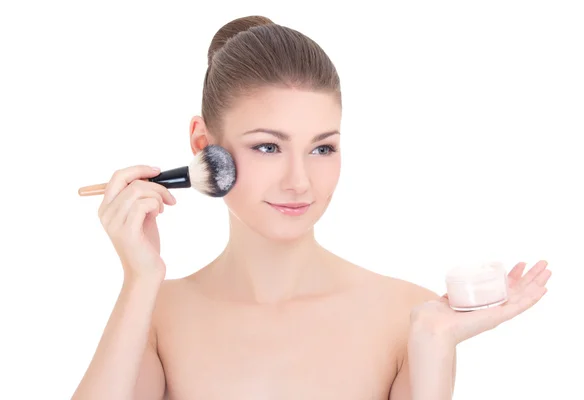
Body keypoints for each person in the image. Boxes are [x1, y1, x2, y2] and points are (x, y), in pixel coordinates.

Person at [71, 15, 552, 400]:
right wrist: (139, 279)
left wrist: (433, 343)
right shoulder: (156, 316)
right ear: (204, 144)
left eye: (322, 149)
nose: (299, 181)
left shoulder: (406, 316)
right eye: (267, 147)